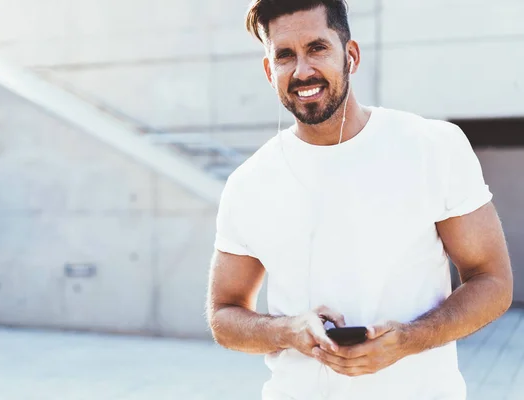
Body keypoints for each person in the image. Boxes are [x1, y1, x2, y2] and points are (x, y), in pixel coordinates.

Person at [205, 0, 514, 399]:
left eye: (317, 48)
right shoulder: (248, 183)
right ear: (269, 71)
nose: (302, 71)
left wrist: (410, 339)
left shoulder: (432, 147)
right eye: (285, 56)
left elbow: (492, 280)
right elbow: (224, 316)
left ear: (350, 55)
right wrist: (288, 330)